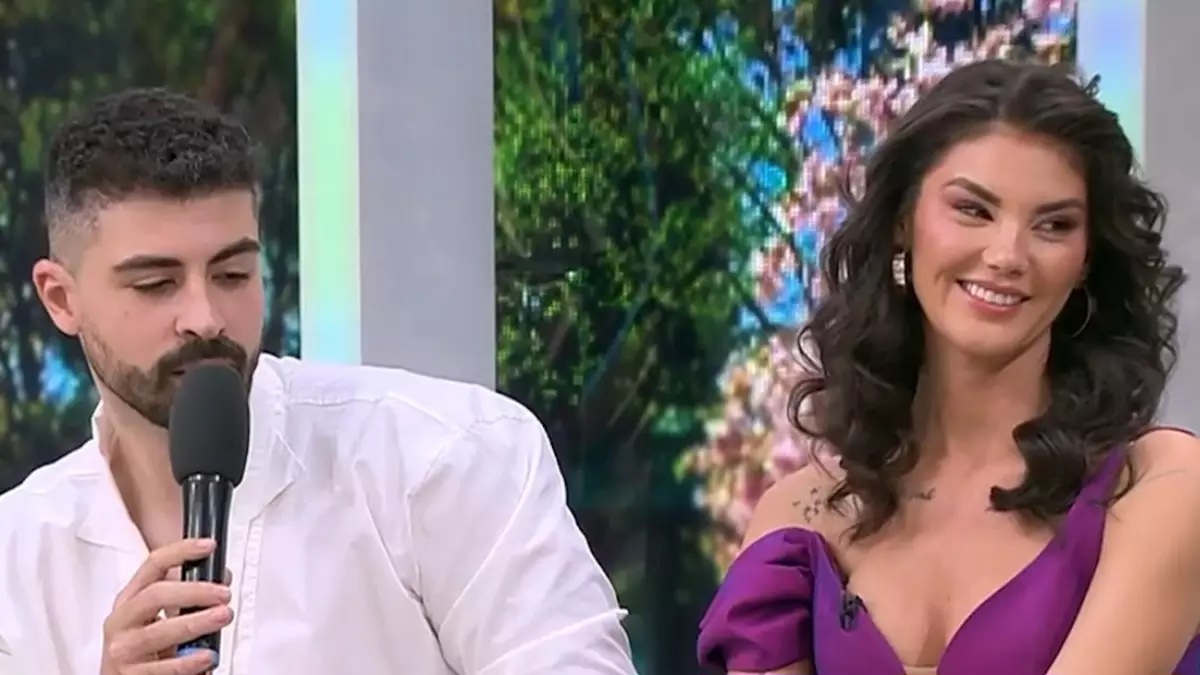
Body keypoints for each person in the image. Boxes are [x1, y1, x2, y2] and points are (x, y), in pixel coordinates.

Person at [0, 88, 635, 675]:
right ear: (61, 299)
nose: (205, 317)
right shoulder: (16, 558)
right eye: (156, 284)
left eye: (232, 274)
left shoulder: (442, 457)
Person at [697, 59, 1200, 675]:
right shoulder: (799, 521)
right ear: (903, 222)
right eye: (973, 210)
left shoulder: (1158, 486)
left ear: (1087, 260)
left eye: (1054, 225)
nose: (1007, 255)